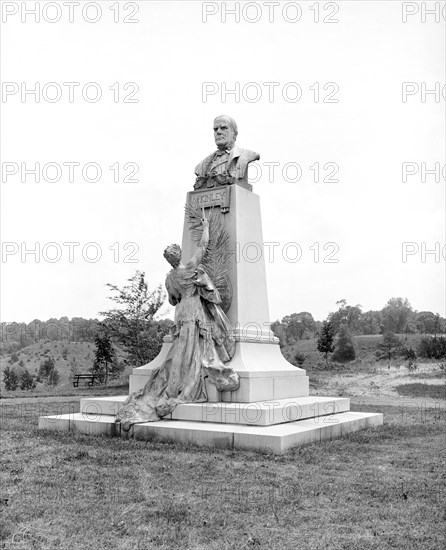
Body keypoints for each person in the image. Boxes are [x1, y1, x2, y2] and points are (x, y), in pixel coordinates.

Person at [116, 214, 239, 431]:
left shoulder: (169, 278)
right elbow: (202, 246)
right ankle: (186, 384)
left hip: (181, 312)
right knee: (192, 350)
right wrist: (206, 226)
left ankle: (173, 383)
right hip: (193, 310)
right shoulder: (190, 267)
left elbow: (173, 300)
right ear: (179, 255)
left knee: (182, 349)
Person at [194, 115, 260, 191]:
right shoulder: (201, 166)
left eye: (223, 128)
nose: (218, 132)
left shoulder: (245, 155)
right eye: (215, 129)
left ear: (235, 134)